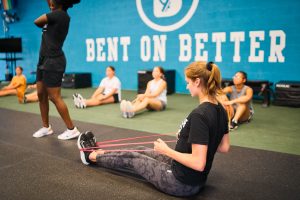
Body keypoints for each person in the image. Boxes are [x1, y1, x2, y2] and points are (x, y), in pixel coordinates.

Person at [77, 61, 230, 197]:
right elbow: (224, 147)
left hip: (182, 183)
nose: (187, 86)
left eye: (188, 82)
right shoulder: (220, 109)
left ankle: (91, 156)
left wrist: (166, 150)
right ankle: (101, 152)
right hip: (192, 176)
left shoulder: (200, 114)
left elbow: (198, 163)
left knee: (134, 160)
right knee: (140, 150)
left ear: (197, 82)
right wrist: (190, 138)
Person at [32, 0, 81, 140]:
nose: (49, 2)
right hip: (43, 60)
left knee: (54, 97)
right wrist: (52, 6)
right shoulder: (55, 14)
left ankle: (72, 129)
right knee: (41, 94)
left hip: (54, 61)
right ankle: (46, 127)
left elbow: (37, 21)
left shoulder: (60, 15)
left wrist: (52, 8)